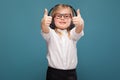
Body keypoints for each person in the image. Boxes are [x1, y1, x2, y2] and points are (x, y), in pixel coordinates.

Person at [41, 4, 84, 80]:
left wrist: (81, 24)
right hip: (53, 73)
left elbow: (78, 30)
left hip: (71, 74)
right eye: (58, 16)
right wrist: (43, 23)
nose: (62, 18)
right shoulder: (51, 34)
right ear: (52, 19)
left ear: (72, 19)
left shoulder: (72, 34)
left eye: (66, 16)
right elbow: (45, 29)